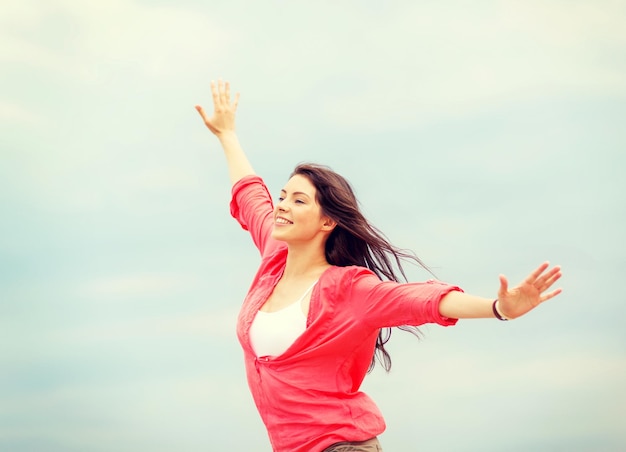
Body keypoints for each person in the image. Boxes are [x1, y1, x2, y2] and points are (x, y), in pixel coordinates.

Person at [194, 80, 563, 452]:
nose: (283, 205)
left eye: (299, 201)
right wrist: (227, 134)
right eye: (283, 196)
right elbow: (249, 193)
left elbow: (423, 300)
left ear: (327, 222)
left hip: (343, 446)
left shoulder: (350, 289)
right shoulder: (274, 255)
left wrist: (498, 308)